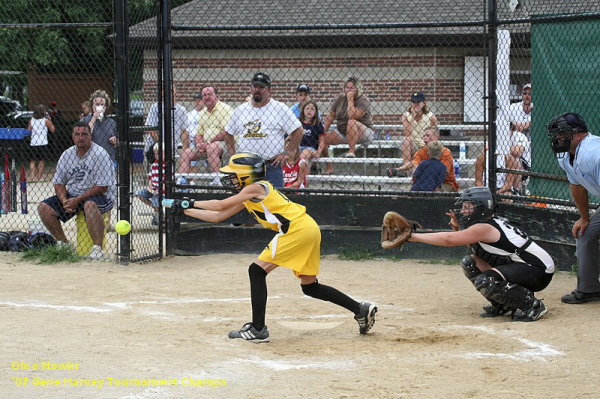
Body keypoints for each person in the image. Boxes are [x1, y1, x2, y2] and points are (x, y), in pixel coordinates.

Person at [168, 153, 378, 341]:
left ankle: (258, 329)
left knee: (256, 270)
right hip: (307, 228)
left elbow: (221, 205)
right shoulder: (249, 194)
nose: (230, 179)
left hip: (295, 229)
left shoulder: (255, 187)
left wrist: (191, 202)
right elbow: (219, 216)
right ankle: (360, 309)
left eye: (234, 175)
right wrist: (184, 211)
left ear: (246, 176)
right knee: (310, 287)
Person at [407, 186, 554, 321]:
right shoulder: (487, 223)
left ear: (480, 208)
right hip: (525, 265)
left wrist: (414, 236)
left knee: (486, 281)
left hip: (538, 270)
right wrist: (459, 230)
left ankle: (533, 306)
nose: (463, 211)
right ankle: (504, 305)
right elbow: (477, 248)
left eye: (467, 207)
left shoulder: (485, 227)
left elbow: (449, 240)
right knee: (470, 262)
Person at [37, 122, 116, 259]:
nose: (81, 138)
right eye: (77, 134)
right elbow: (59, 183)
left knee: (89, 205)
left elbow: (102, 187)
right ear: (72, 137)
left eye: (84, 134)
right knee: (44, 208)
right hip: (74, 195)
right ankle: (64, 244)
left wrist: (77, 199)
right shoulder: (67, 155)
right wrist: (64, 201)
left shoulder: (100, 154)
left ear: (90, 135)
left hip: (101, 195)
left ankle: (98, 249)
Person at [546, 112, 600, 304]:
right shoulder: (566, 155)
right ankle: (589, 289)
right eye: (557, 134)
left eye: (562, 133)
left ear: (579, 134)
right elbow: (576, 185)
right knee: (585, 234)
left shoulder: (593, 153)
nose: (558, 138)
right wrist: (584, 218)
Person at [224, 72, 303, 188]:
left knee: (273, 202)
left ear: (269, 90)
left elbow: (299, 131)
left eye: (262, 87)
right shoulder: (241, 110)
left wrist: (287, 152)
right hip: (246, 167)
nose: (257, 90)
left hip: (271, 166)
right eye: (255, 86)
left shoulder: (279, 108)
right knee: (246, 202)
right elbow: (227, 133)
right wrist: (233, 155)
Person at [179, 86, 233, 180]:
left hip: (224, 143)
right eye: (204, 95)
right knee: (186, 153)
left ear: (216, 96)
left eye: (210, 94)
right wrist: (200, 144)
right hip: (206, 144)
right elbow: (199, 133)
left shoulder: (225, 109)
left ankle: (217, 180)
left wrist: (209, 143)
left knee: (211, 148)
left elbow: (227, 132)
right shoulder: (202, 113)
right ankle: (181, 181)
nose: (207, 97)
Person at [322, 77, 374, 174]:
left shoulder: (363, 100)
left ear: (358, 89)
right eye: (347, 87)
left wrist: (350, 99)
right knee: (322, 138)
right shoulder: (340, 99)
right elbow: (331, 115)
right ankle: (329, 168)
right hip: (343, 132)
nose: (349, 90)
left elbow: (352, 115)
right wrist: (322, 131)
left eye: (352, 87)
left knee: (351, 122)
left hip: (363, 132)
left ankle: (351, 152)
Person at [388, 127, 459, 192]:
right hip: (425, 181)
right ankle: (398, 170)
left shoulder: (445, 152)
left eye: (428, 135)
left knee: (437, 191)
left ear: (436, 136)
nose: (425, 138)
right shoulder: (421, 151)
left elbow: (443, 175)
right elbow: (415, 168)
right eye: (424, 136)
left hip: (444, 183)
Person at [144, 88, 188, 167]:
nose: (170, 94)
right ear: (163, 93)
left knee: (168, 172)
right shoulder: (156, 107)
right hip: (155, 148)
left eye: (172, 91)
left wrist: (185, 149)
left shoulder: (182, 110)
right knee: (157, 172)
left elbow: (184, 131)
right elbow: (151, 129)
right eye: (168, 91)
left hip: (171, 148)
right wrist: (162, 145)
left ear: (175, 93)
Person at [401, 91, 438, 166]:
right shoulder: (406, 116)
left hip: (426, 144)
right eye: (413, 102)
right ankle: (405, 171)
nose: (416, 104)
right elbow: (407, 133)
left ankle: (405, 168)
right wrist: (413, 117)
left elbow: (435, 135)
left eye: (418, 102)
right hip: (412, 144)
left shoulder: (431, 117)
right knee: (406, 140)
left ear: (423, 103)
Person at [83, 89, 117, 165]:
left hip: (109, 159)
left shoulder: (111, 122)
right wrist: (94, 117)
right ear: (92, 105)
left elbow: (117, 142)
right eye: (97, 104)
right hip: (91, 160)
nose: (99, 107)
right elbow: (86, 134)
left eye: (102, 104)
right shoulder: (86, 120)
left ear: (106, 106)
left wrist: (115, 140)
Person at [136, 143, 165, 226]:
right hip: (154, 189)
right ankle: (157, 210)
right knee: (140, 195)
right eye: (156, 153)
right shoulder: (154, 165)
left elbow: (167, 182)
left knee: (156, 200)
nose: (158, 155)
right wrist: (150, 186)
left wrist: (159, 190)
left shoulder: (167, 166)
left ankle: (161, 216)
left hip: (162, 190)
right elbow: (150, 178)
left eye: (161, 153)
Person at [28, 104, 55, 181]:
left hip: (33, 142)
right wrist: (50, 120)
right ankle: (38, 178)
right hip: (43, 143)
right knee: (41, 161)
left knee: (32, 161)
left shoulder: (31, 121)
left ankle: (32, 177)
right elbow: (53, 130)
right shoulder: (45, 121)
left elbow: (28, 131)